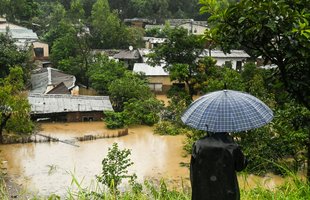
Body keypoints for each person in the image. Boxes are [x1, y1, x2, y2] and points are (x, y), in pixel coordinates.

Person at [190, 132, 247, 200]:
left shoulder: (198, 144)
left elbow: (193, 169)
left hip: (203, 192)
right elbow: (240, 166)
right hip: (227, 192)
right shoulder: (232, 146)